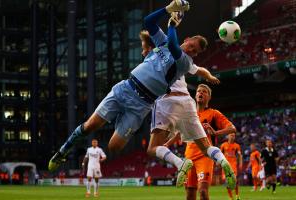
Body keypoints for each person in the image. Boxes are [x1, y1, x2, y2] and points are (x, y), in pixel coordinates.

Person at [48, 0, 194, 171]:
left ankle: (119, 118)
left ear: (153, 47)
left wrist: (173, 24)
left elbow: (172, 45)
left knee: (114, 147)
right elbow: (149, 22)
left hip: (140, 106)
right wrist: (168, 9)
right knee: (90, 126)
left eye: (144, 48)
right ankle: (63, 150)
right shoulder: (155, 53)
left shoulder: (179, 60)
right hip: (125, 90)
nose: (142, 52)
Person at [144, 7, 236, 189]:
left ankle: (180, 164)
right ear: (187, 40)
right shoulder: (187, 63)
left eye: (194, 51)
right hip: (187, 103)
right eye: (192, 47)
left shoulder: (180, 56)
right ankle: (223, 162)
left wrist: (172, 23)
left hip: (167, 101)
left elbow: (169, 43)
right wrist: (208, 76)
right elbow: (199, 69)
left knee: (152, 149)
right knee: (206, 147)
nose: (192, 51)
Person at [221, 133, 243, 200]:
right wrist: (218, 162)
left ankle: (237, 195)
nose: (232, 137)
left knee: (235, 180)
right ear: (228, 136)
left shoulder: (237, 146)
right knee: (227, 182)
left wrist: (240, 163)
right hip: (225, 165)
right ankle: (231, 197)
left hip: (233, 165)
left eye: (233, 136)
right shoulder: (223, 145)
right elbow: (220, 154)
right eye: (231, 135)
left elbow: (239, 155)